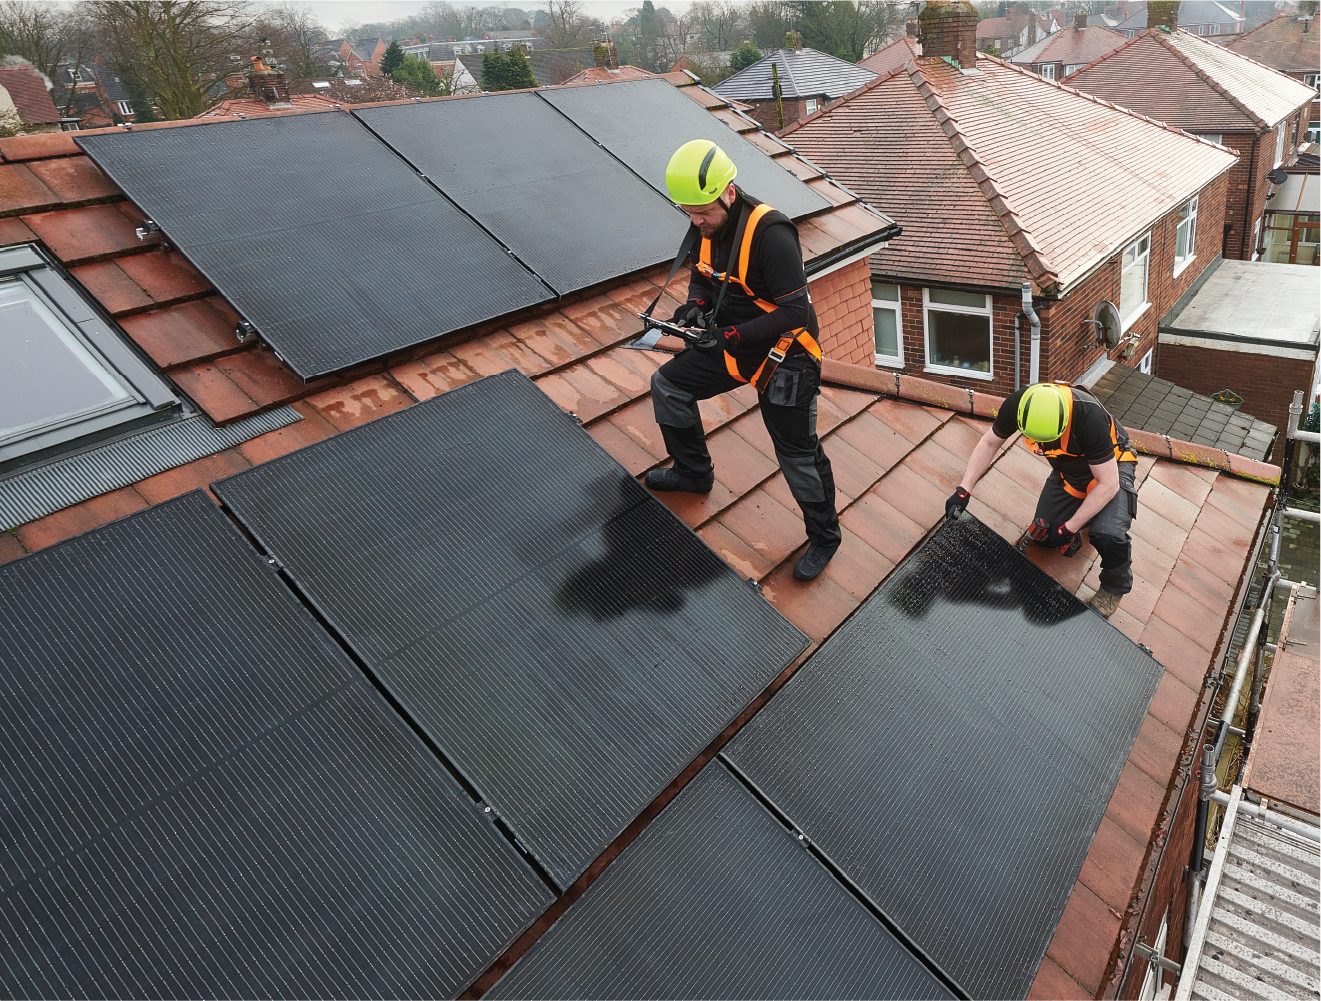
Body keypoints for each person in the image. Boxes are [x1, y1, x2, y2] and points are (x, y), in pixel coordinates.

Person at [646, 139, 840, 582]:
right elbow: (702, 273)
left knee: (796, 452)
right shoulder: (705, 225)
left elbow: (796, 311)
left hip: (786, 356)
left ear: (729, 193)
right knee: (669, 387)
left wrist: (729, 335)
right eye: (688, 213)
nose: (696, 221)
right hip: (731, 348)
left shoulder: (771, 234)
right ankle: (694, 473)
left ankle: (826, 536)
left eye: (703, 212)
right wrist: (696, 304)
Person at [945, 382, 1139, 617]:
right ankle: (1089, 511)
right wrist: (964, 489)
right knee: (1046, 536)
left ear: (1065, 421)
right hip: (1070, 473)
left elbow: (1107, 484)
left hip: (1114, 466)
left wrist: (1070, 528)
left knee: (1108, 533)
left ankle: (1114, 586)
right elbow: (989, 442)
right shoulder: (1019, 405)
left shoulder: (1088, 416)